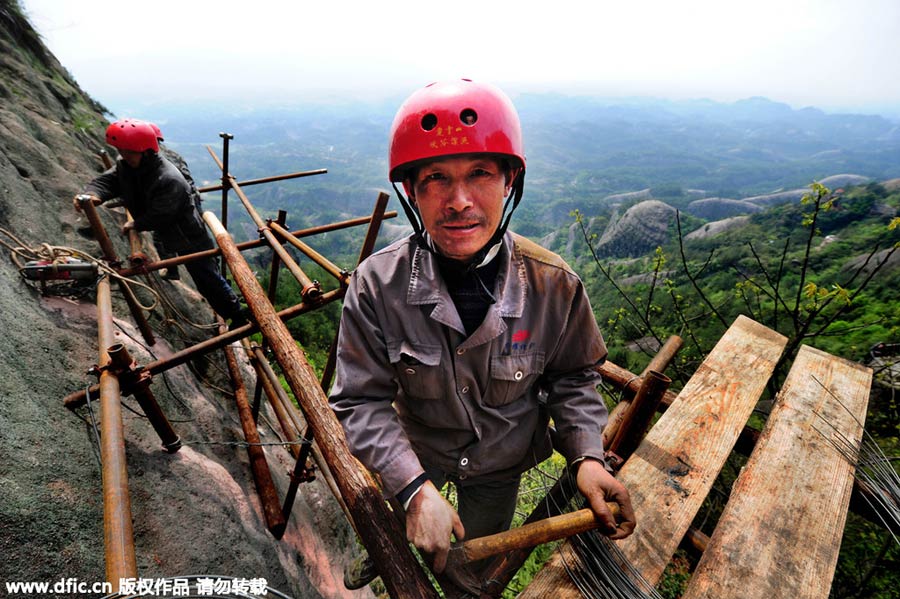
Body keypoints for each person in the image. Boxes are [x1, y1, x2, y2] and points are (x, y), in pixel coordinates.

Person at [329, 80, 634, 593]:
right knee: (399, 524)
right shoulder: (378, 286)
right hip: (415, 447)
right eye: (435, 179)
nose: (459, 201)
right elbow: (360, 400)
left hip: (499, 463)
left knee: (467, 570)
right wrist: (413, 489)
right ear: (412, 192)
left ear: (509, 180)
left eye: (479, 174)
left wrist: (586, 455)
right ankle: (383, 556)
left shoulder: (553, 285)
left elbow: (573, 377)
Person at [74, 118, 247, 327]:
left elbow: (161, 215)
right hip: (169, 232)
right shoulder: (128, 165)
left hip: (188, 237)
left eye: (128, 151)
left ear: (145, 151)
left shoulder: (168, 179)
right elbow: (109, 180)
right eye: (122, 151)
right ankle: (229, 303)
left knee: (207, 278)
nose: (123, 155)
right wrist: (93, 193)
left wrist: (136, 224)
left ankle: (238, 316)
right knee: (205, 273)